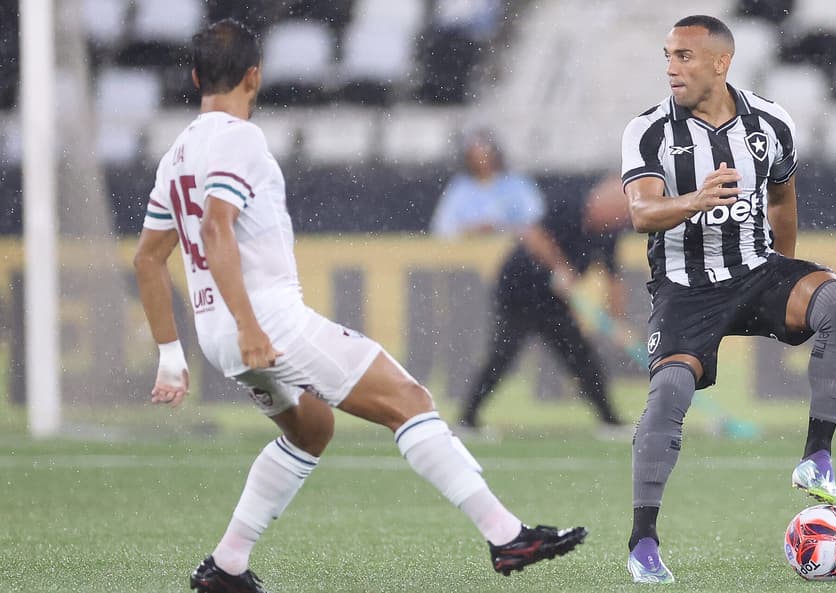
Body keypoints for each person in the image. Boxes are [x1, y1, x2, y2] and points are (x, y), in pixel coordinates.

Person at [133, 19, 586, 593]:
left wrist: (172, 355)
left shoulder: (174, 155)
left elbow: (148, 259)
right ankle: (507, 536)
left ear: (196, 76)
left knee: (311, 429)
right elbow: (218, 229)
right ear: (256, 75)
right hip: (264, 320)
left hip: (215, 331)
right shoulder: (239, 138)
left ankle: (226, 566)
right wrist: (250, 325)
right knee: (409, 400)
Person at [620, 15, 836, 584]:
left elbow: (782, 198)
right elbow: (640, 212)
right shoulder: (650, 130)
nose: (671, 68)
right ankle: (643, 541)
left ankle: (816, 457)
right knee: (671, 389)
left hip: (756, 271)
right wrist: (694, 200)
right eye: (668, 55)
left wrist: (785, 272)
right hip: (685, 287)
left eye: (684, 56)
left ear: (720, 63)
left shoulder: (770, 121)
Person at [456, 174, 629, 433]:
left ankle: (610, 421)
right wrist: (559, 268)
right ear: (601, 200)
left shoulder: (609, 231)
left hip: (553, 302)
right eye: (621, 209)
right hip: (519, 292)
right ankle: (466, 420)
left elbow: (613, 278)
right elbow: (533, 234)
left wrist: (617, 322)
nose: (623, 217)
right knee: (502, 356)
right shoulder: (570, 206)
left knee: (582, 357)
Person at [429, 128, 545, 238]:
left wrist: (500, 228)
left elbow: (534, 219)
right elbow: (442, 227)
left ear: (495, 154)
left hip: (512, 247)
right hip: (472, 248)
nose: (482, 161)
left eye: (485, 154)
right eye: (476, 155)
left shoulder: (516, 182)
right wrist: (473, 230)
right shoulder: (460, 187)